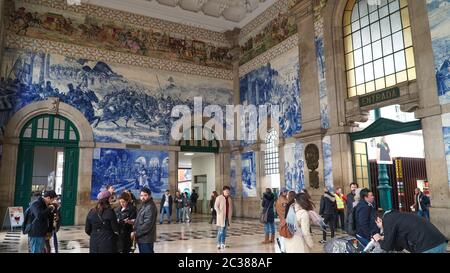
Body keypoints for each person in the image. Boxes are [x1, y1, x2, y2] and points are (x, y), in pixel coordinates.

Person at [373, 210, 448, 253]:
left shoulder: (387, 219)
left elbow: (387, 246)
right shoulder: (398, 216)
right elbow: (398, 246)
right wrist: (385, 237)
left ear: (378, 220)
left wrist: (378, 238)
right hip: (440, 242)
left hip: (428, 248)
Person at [132, 187, 157, 253]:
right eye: (141, 195)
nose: (143, 197)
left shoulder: (150, 207)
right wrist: (133, 221)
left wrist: (136, 233)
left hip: (146, 238)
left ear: (149, 195)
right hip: (142, 237)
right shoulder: (144, 204)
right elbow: (141, 219)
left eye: (145, 195)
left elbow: (147, 224)